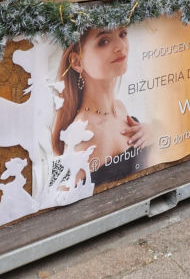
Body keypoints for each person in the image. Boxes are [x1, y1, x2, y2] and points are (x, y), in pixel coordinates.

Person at [51, 26, 153, 186]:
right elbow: (66, 199)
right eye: (103, 41)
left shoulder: (119, 108)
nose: (121, 46)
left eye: (122, 34)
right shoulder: (85, 136)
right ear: (77, 62)